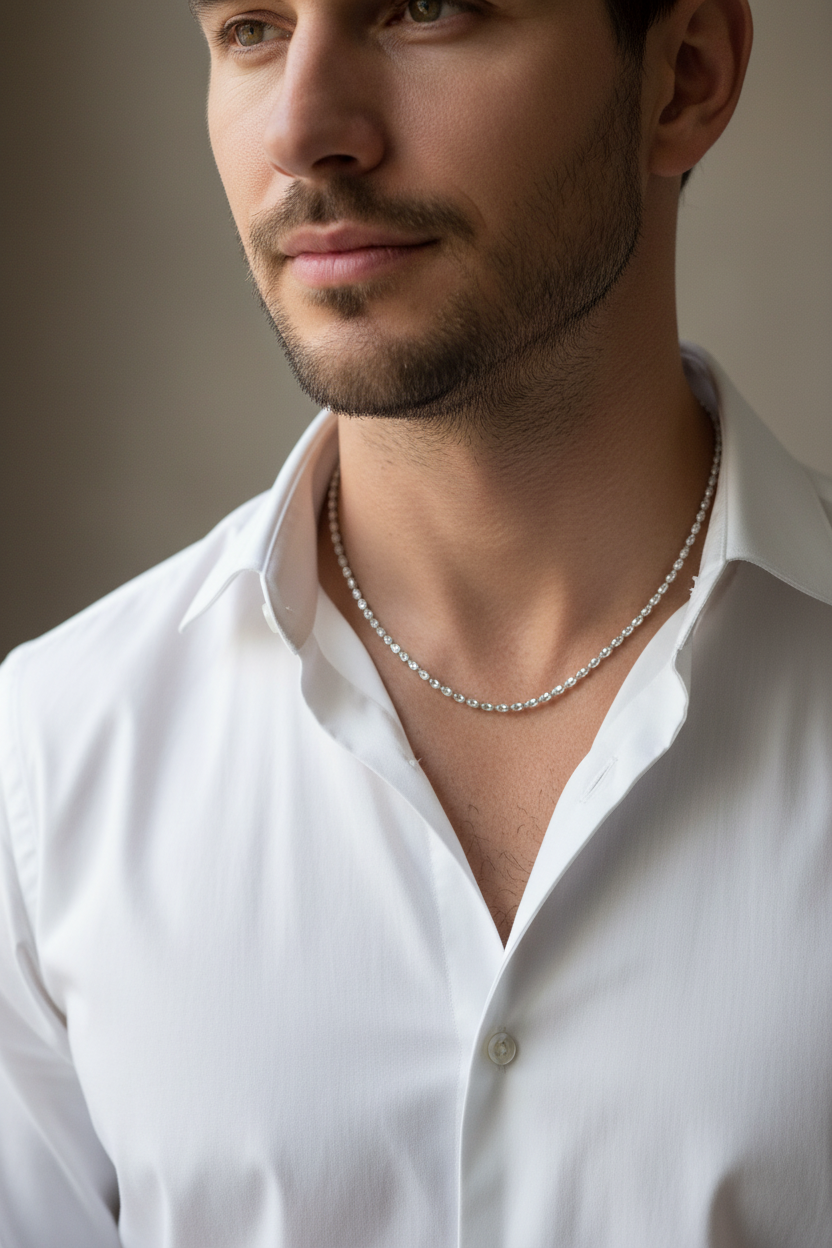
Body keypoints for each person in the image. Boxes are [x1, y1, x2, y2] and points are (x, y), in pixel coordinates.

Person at [1, 0, 831, 1242]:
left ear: (684, 80)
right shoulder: (45, 765)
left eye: (425, 8)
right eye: (250, 31)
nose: (306, 130)